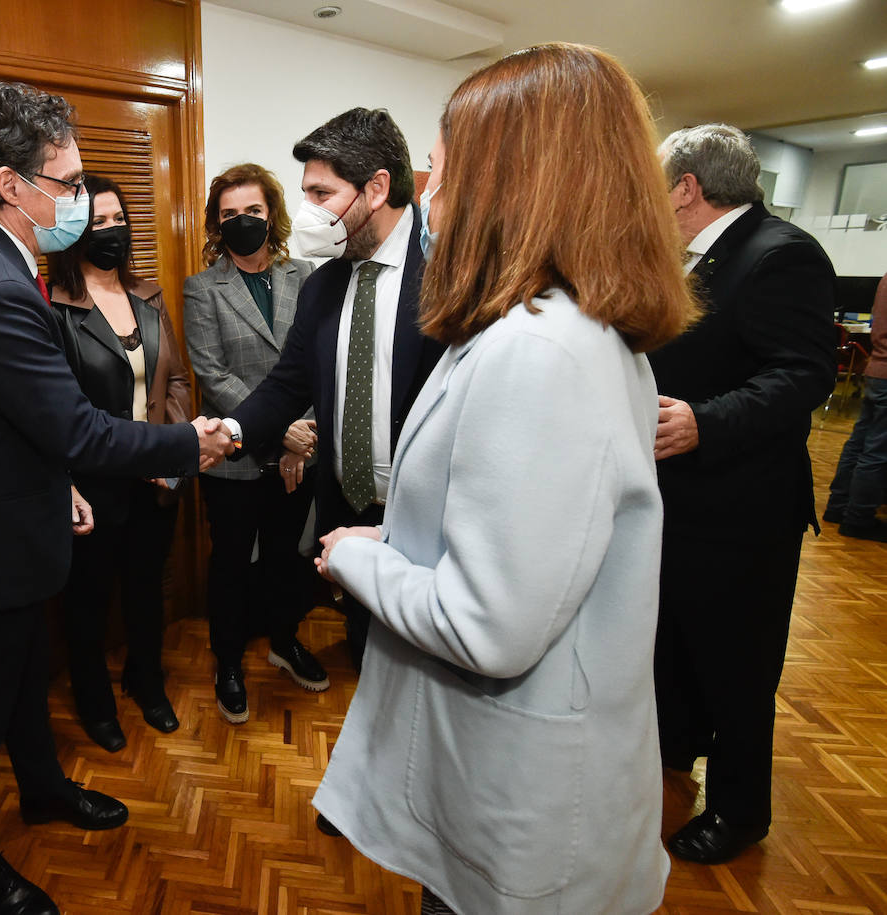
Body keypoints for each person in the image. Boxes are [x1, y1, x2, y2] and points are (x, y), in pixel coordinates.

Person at [311, 43, 697, 915]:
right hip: (497, 774)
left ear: (508, 183)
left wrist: (357, 561)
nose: (431, 198)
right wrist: (395, 536)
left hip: (520, 804)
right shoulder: (545, 331)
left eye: (440, 173)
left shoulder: (539, 351)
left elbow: (490, 626)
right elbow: (521, 537)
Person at [0, 81, 232, 915]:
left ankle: (45, 790)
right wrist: (186, 442)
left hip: (17, 518)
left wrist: (55, 490)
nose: (83, 200)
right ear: (13, 186)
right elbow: (80, 432)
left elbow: (21, 425)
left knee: (25, 684)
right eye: (70, 180)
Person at [650, 123, 837, 864]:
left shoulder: (779, 253)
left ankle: (740, 810)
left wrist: (706, 421)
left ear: (687, 189)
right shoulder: (695, 253)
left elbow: (803, 373)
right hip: (681, 499)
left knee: (738, 663)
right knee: (677, 646)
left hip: (744, 510)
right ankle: (673, 761)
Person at [223, 109, 445, 677]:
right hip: (344, 507)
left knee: (427, 673)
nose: (309, 212)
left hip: (426, 516)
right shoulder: (324, 285)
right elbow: (289, 381)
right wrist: (232, 431)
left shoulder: (451, 276)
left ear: (377, 187)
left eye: (323, 193)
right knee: (368, 649)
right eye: (306, 193)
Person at [44, 173, 190, 752]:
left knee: (146, 589)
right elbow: (59, 410)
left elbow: (175, 379)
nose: (112, 231)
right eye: (97, 222)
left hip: (155, 478)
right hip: (93, 485)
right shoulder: (54, 308)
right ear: (75, 230)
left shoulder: (150, 297)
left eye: (117, 219)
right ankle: (93, 699)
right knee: (89, 600)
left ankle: (147, 681)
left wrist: (169, 447)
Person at [183, 163, 321, 725]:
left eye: (254, 211)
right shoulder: (202, 288)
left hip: (296, 458)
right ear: (218, 223)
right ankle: (229, 663)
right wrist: (277, 427)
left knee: (288, 559)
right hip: (235, 460)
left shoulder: (305, 277)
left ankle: (283, 641)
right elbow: (212, 375)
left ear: (273, 215)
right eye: (230, 214)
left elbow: (319, 362)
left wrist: (299, 439)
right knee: (232, 566)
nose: (244, 222)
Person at [825, 270, 887, 541]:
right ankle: (858, 518)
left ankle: (838, 507)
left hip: (877, 369)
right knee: (878, 451)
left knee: (860, 442)